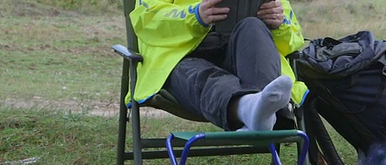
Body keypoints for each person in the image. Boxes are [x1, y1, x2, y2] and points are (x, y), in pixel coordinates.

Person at [129, 0, 309, 132]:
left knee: (253, 26)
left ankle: (258, 112)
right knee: (201, 75)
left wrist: (279, 23)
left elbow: (293, 38)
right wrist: (195, 15)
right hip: (183, 58)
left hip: (243, 60)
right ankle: (250, 110)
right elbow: (146, 19)